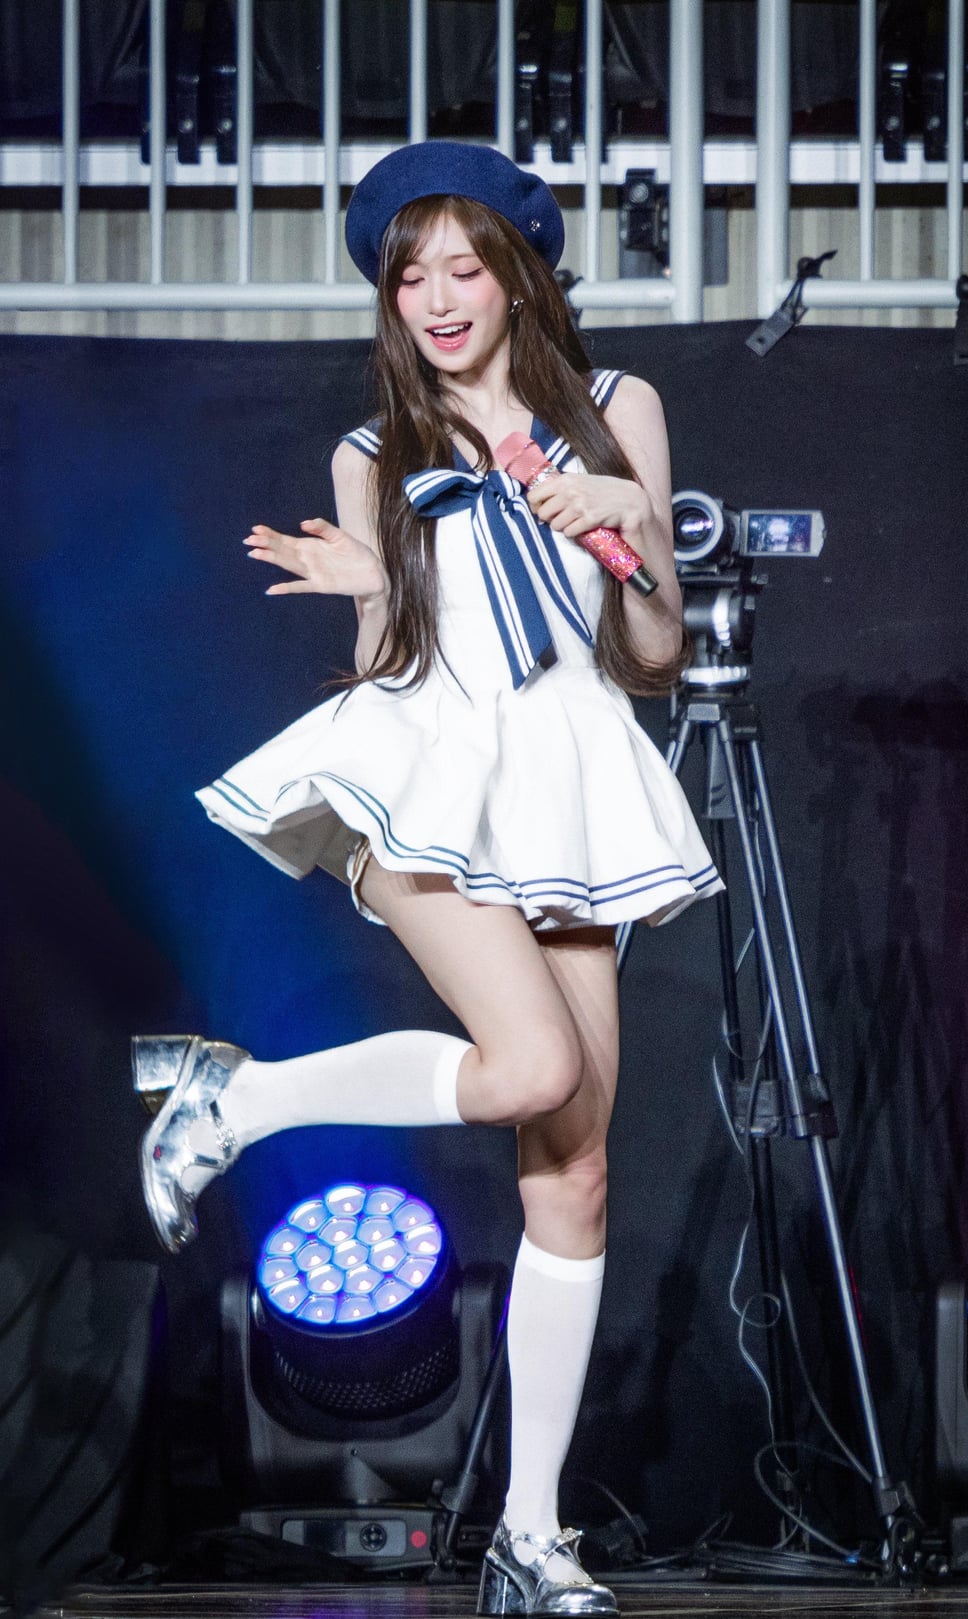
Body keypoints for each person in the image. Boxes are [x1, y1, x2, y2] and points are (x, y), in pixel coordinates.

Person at [135, 140, 722, 1616]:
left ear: (519, 275)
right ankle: (237, 1099)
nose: (440, 298)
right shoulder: (374, 452)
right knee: (533, 1070)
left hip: (572, 785)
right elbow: (400, 661)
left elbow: (653, 659)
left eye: (465, 267)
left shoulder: (620, 409)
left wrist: (633, 532)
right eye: (411, 276)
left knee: (576, 1172)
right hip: (434, 781)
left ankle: (530, 1538)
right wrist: (379, 586)